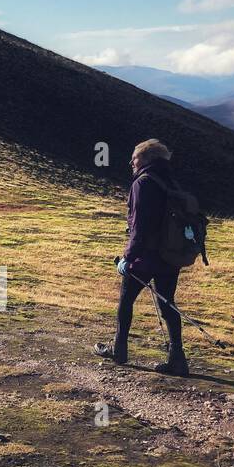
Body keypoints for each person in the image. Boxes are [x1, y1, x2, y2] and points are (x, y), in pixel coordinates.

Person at [94, 139, 189, 376]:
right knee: (168, 303)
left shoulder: (143, 183)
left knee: (126, 300)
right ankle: (178, 359)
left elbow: (139, 227)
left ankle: (119, 350)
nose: (131, 162)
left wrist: (128, 257)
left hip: (146, 257)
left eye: (135, 157)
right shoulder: (170, 181)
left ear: (146, 159)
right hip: (169, 256)